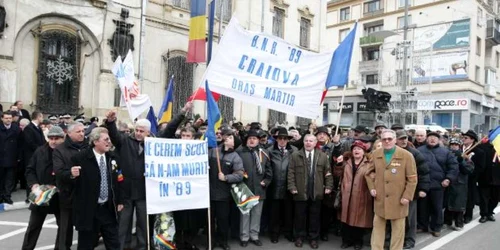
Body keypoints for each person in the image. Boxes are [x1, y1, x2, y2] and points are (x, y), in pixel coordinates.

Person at [67, 127, 122, 250]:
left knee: (114, 243)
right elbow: (68, 181)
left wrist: (119, 201)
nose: (109, 142)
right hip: (89, 209)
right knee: (86, 244)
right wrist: (71, 174)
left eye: (109, 139)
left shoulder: (112, 158)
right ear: (95, 141)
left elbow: (118, 181)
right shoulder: (80, 158)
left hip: (107, 209)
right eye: (106, 139)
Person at [365, 129, 417, 250]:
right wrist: (372, 188)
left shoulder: (406, 156)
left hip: (399, 199)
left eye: (390, 139)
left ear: (395, 140)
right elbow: (368, 173)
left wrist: (407, 196)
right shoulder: (376, 154)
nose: (387, 141)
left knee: (398, 230)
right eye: (384, 139)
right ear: (381, 140)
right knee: (377, 228)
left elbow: (412, 178)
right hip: (380, 198)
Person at [22, 126, 65, 250]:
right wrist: (33, 184)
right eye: (50, 138)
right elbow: (30, 170)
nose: (53, 141)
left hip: (60, 196)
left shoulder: (67, 152)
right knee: (33, 227)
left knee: (63, 228)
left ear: (63, 138)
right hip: (41, 194)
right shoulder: (40, 151)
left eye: (56, 138)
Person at [288, 134, 333, 249]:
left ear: (315, 143)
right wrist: (292, 186)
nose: (308, 143)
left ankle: (313, 238)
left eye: (311, 141)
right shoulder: (295, 155)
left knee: (315, 217)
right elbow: (291, 172)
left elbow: (328, 173)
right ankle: (299, 237)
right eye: (306, 141)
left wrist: (329, 186)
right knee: (299, 216)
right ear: (303, 142)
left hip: (316, 191)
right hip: (300, 191)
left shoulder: (323, 156)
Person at [53, 122, 88, 250]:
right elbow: (58, 171)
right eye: (78, 132)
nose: (82, 134)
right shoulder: (60, 150)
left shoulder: (88, 147)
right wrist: (70, 174)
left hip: (85, 194)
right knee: (66, 229)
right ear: (69, 133)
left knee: (86, 228)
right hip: (68, 194)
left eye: (83, 131)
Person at [393, 130, 430, 249]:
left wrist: (423, 188)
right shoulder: (389, 152)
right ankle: (395, 238)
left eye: (405, 138)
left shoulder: (415, 153)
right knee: (394, 216)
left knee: (410, 218)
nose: (404, 140)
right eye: (401, 138)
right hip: (393, 191)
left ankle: (410, 239)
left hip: (410, 191)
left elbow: (424, 172)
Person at [417, 132, 458, 237]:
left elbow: (453, 166)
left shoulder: (446, 152)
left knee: (437, 207)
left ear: (439, 140)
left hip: (438, 184)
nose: (432, 140)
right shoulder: (419, 151)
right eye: (430, 137)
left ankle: (436, 227)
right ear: (427, 139)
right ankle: (423, 225)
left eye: (435, 138)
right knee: (422, 206)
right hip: (423, 184)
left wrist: (448, 179)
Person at [236, 129, 273, 247]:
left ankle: (254, 235)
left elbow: (269, 170)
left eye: (254, 138)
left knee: (257, 214)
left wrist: (266, 181)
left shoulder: (264, 153)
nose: (252, 140)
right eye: (250, 138)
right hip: (244, 188)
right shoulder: (240, 152)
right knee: (245, 214)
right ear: (246, 140)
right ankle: (244, 237)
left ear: (258, 141)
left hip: (259, 188)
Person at [208, 131, 244, 250]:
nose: (227, 138)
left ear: (234, 143)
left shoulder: (235, 157)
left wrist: (226, 178)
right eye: (227, 137)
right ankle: (211, 241)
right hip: (209, 192)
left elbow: (239, 175)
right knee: (210, 220)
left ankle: (223, 241)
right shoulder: (214, 151)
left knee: (223, 220)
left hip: (224, 195)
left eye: (231, 138)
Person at [337, 141, 373, 250]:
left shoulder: (369, 163)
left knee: (359, 220)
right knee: (345, 220)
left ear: (364, 152)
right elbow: (337, 175)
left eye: (359, 149)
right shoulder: (346, 162)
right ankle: (346, 241)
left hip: (362, 195)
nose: (356, 151)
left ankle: (358, 242)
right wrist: (338, 165)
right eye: (354, 149)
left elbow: (373, 177)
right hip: (346, 195)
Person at [267, 127, 297, 243]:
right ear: (276, 139)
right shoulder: (269, 150)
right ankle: (274, 234)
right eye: (280, 138)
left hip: (288, 185)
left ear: (288, 140)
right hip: (274, 185)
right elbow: (267, 168)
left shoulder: (294, 150)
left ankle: (288, 233)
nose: (282, 140)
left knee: (288, 212)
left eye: (285, 138)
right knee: (274, 213)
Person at [444, 138, 474, 230]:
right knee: (448, 204)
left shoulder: (465, 156)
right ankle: (447, 221)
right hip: (449, 182)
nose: (454, 146)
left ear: (459, 146)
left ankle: (458, 223)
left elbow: (469, 170)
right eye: (452, 144)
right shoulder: (445, 155)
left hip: (460, 183)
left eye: (456, 145)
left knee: (459, 204)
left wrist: (461, 161)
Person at [460, 130, 485, 224]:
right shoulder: (458, 148)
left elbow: (480, 167)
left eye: (465, 138)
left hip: (470, 178)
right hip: (458, 177)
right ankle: (457, 214)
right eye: (463, 137)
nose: (463, 139)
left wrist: (471, 172)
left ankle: (468, 215)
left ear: (472, 140)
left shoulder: (478, 151)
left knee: (469, 197)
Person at [21, 111, 46, 201]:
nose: (42, 119)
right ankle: (29, 196)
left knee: (38, 175)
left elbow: (43, 141)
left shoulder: (38, 128)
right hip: (31, 156)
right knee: (31, 175)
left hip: (39, 155)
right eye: (42, 117)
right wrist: (40, 150)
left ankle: (37, 195)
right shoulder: (29, 128)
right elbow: (30, 142)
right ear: (38, 117)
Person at [0, 111, 21, 204]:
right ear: (2, 119)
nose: (8, 120)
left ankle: (7, 196)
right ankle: (0, 196)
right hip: (1, 158)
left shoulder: (16, 129)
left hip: (12, 157)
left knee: (10, 179)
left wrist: (19, 157)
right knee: (1, 179)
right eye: (6, 118)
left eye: (10, 118)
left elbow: (21, 143)